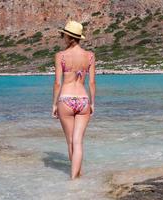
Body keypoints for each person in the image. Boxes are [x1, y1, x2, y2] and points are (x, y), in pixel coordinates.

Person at [52, 20, 96, 180]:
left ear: (69, 37)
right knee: (78, 142)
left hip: (66, 99)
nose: (62, 36)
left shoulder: (60, 56)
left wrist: (53, 104)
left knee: (70, 141)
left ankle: (72, 180)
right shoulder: (90, 56)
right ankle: (77, 176)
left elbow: (57, 83)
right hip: (83, 100)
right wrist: (92, 103)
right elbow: (91, 82)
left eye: (63, 34)